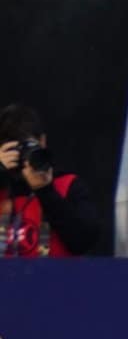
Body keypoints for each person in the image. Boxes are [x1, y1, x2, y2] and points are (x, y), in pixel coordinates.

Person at [0, 104, 99, 258]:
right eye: (14, 150)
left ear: (43, 141)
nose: (21, 157)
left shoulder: (68, 185)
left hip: (56, 280)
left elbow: (83, 241)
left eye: (27, 148)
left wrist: (46, 191)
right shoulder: (3, 190)